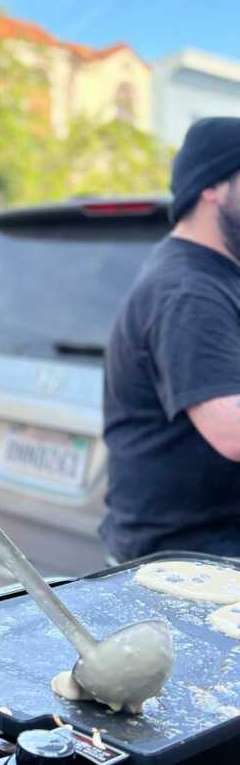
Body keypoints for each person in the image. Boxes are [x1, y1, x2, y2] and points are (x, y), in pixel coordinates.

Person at [102, 116, 240, 561]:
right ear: (213, 187)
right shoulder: (188, 288)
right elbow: (232, 431)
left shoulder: (215, 275)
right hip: (186, 563)